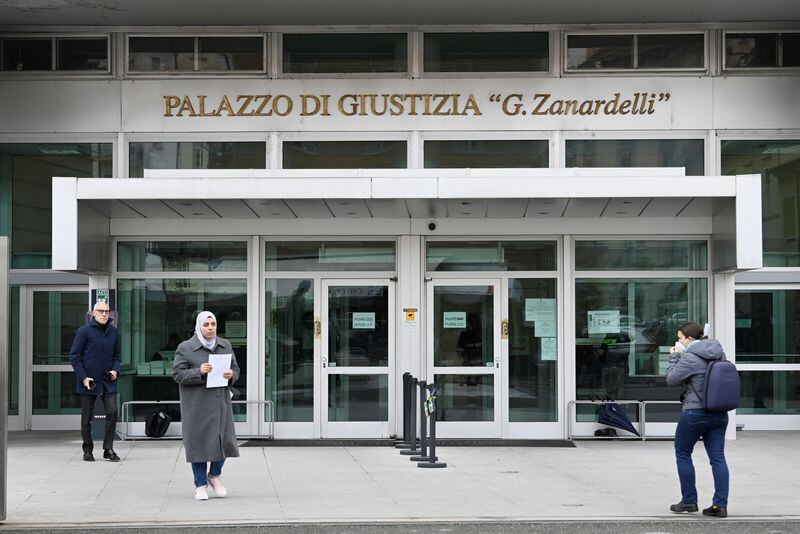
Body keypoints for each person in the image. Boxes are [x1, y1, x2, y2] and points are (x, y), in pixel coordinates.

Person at [172, 311, 240, 501]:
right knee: (199, 445)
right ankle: (200, 484)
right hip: (197, 405)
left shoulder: (225, 345)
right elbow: (177, 374)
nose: (210, 328)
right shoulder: (186, 348)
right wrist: (198, 372)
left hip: (220, 403)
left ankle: (215, 475)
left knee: (224, 441)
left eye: (213, 324)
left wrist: (231, 375)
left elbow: (236, 369)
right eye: (206, 325)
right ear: (199, 327)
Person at [665, 321, 730, 518]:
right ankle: (720, 505)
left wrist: (674, 356)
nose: (678, 341)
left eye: (680, 338)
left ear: (690, 339)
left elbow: (671, 379)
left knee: (683, 453)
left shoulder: (690, 357)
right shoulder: (718, 352)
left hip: (695, 412)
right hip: (719, 413)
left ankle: (689, 501)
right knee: (718, 459)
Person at [69, 300, 121, 462]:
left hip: (107, 380)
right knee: (87, 417)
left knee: (112, 412)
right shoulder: (84, 331)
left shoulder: (114, 332)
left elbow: (117, 356)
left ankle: (108, 448)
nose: (105, 314)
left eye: (107, 311)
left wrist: (115, 370)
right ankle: (88, 449)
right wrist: (83, 377)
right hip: (89, 381)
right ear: (93, 313)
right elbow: (74, 356)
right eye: (101, 311)